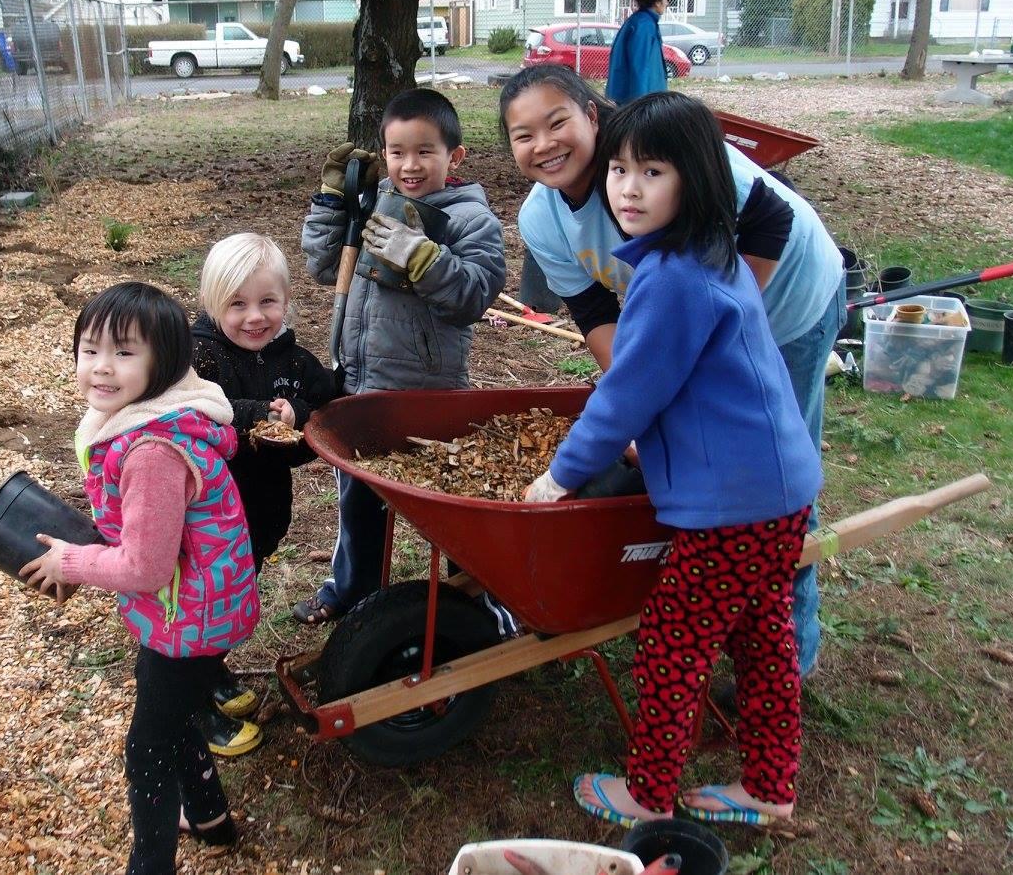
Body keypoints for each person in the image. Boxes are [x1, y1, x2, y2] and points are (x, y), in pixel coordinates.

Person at [524, 92, 822, 827]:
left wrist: (561, 476)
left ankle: (649, 795)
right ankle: (771, 787)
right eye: (620, 170)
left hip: (731, 503)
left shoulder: (669, 280)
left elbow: (626, 395)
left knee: (671, 644)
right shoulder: (707, 254)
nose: (627, 188)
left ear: (695, 178)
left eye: (652, 172)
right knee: (762, 638)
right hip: (777, 486)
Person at [500, 64, 844, 679]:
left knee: (770, 485)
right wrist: (643, 391)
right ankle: (711, 599)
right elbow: (596, 311)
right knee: (700, 467)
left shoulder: (664, 152)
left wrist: (721, 331)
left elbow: (769, 218)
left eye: (558, 123)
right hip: (690, 319)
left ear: (593, 116)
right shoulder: (542, 218)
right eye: (523, 136)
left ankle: (791, 653)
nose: (544, 144)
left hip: (788, 303)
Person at [19, 282, 259, 873]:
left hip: (190, 617)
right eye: (89, 349)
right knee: (170, 713)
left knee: (146, 746)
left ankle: (151, 863)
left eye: (125, 352)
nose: (101, 367)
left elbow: (146, 568)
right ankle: (210, 819)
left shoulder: (152, 449)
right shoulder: (147, 415)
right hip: (197, 607)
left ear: (164, 364)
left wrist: (70, 560)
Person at [292, 88, 506, 626]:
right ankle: (353, 592)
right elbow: (324, 265)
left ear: (454, 157)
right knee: (358, 503)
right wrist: (332, 201)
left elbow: (474, 296)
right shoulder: (376, 203)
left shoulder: (468, 219)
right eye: (397, 151)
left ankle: (481, 596)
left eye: (425, 151)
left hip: (425, 399)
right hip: (362, 385)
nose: (409, 165)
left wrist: (422, 257)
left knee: (447, 511)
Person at [189, 232, 336, 749]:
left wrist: (307, 423)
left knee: (229, 601)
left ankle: (212, 672)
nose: (255, 317)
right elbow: (200, 415)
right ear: (212, 304)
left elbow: (325, 404)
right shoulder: (198, 360)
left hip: (260, 512)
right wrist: (259, 418)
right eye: (238, 304)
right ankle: (192, 708)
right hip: (206, 519)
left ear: (286, 302)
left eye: (268, 301)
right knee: (201, 606)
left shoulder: (291, 361)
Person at [605, 0, 668, 103]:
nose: (667, 3)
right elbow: (640, 67)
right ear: (657, 2)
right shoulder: (644, 25)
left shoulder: (642, 22)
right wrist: (641, 105)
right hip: (642, 101)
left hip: (642, 97)